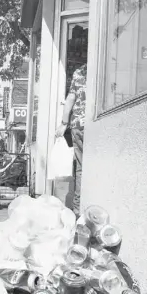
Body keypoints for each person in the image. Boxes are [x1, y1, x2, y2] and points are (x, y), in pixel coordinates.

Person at [56, 63, 87, 217]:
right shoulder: (107, 65)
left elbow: (71, 98)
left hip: (79, 125)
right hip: (96, 123)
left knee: (81, 168)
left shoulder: (80, 71)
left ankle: (78, 208)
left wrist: (63, 123)